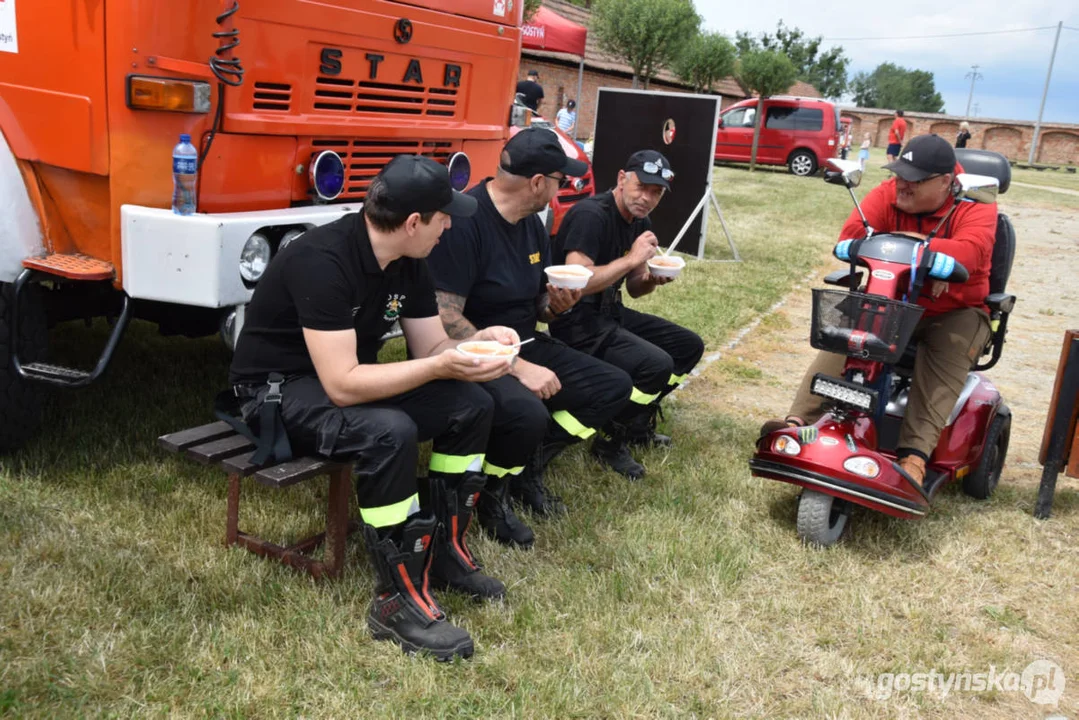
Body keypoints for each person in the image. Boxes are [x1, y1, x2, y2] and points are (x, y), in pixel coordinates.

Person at [227, 155, 523, 661]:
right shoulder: (323, 261)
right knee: (390, 431)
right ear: (413, 223)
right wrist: (438, 368)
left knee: (470, 404)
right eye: (443, 217)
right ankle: (397, 598)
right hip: (276, 392)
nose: (450, 225)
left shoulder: (409, 259)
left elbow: (430, 348)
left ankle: (444, 552)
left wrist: (474, 345)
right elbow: (343, 386)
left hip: (339, 378)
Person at [427, 128, 633, 545]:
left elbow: (538, 304)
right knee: (528, 414)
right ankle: (491, 493)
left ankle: (526, 466)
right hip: (473, 352)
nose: (564, 188)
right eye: (561, 180)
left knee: (613, 387)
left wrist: (556, 305)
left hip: (525, 341)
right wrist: (516, 367)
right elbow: (445, 317)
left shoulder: (532, 224)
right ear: (538, 182)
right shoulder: (465, 221)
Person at [760, 134, 996, 489]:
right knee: (845, 337)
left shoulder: (975, 203)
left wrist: (900, 244)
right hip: (892, 302)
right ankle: (797, 425)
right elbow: (851, 237)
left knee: (947, 351)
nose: (901, 183)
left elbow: (970, 252)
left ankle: (914, 458)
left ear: (946, 182)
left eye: (914, 179)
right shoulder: (889, 192)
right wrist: (926, 253)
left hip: (953, 311)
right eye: (900, 173)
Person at [550, 150, 705, 480]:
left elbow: (635, 288)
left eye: (656, 192)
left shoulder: (640, 222)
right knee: (655, 364)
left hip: (610, 311)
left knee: (688, 346)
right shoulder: (591, 215)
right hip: (574, 319)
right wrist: (631, 258)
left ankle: (635, 422)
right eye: (641, 187)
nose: (646, 198)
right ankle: (609, 440)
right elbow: (576, 282)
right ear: (622, 179)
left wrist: (651, 278)